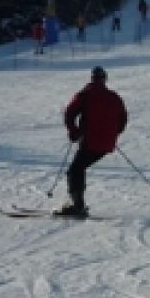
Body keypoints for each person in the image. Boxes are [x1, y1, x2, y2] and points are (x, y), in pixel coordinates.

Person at [59, 66, 128, 218]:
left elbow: (70, 113)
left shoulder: (85, 95)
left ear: (92, 79)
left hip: (89, 141)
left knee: (75, 170)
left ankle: (78, 206)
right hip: (106, 144)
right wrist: (112, 134)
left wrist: (74, 132)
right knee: (79, 167)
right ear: (105, 79)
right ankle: (78, 204)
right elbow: (123, 120)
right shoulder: (114, 97)